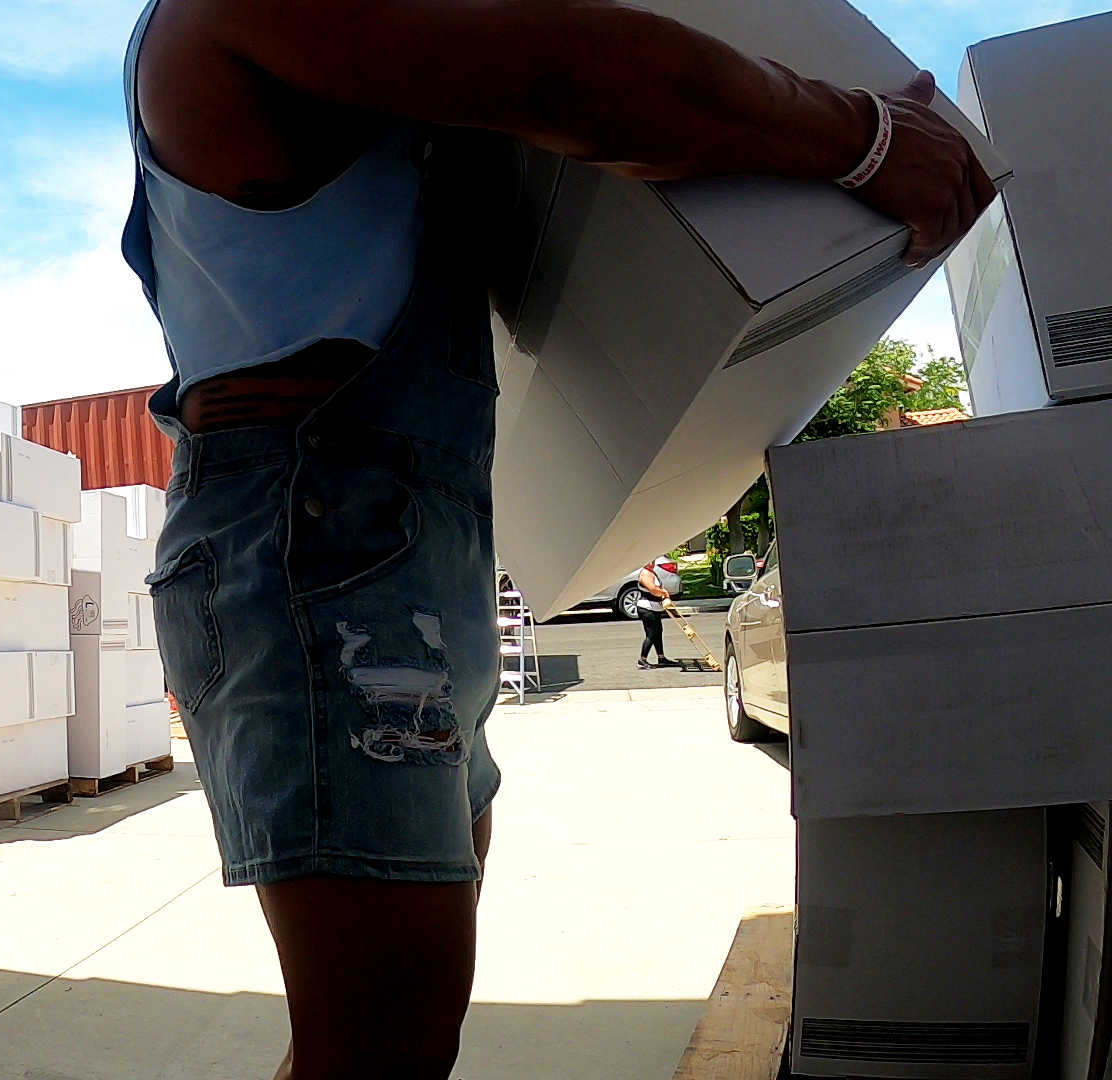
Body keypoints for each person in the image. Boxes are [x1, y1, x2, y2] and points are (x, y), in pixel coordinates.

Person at [122, 2, 994, 1076]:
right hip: (322, 549)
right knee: (377, 1038)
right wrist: (855, 139)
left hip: (400, 546)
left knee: (408, 1022)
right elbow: (563, 78)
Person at [637, 561, 674, 670]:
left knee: (658, 632)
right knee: (651, 634)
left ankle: (661, 657)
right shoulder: (645, 573)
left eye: (653, 561)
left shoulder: (651, 572)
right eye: (649, 561)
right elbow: (653, 589)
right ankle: (642, 660)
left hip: (655, 607)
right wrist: (665, 593)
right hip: (647, 608)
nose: (651, 563)